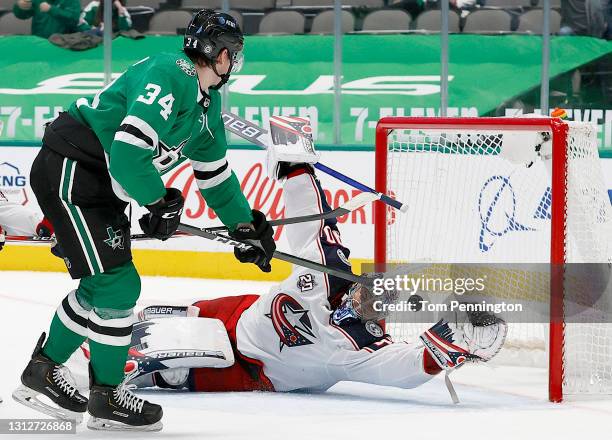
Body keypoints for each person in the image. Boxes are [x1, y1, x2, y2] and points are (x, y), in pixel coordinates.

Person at [12, 9, 276, 432]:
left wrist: (245, 226)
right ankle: (106, 395)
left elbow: (215, 179)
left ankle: (44, 373)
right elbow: (128, 154)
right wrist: (158, 201)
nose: (235, 61)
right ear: (220, 54)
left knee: (103, 285)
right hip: (74, 169)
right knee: (117, 285)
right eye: (234, 52)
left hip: (99, 182)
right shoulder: (170, 72)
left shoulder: (208, 106)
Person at [121, 142, 508, 396]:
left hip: (256, 370)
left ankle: (134, 373)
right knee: (164, 316)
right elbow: (314, 220)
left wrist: (450, 343)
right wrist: (295, 162)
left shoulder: (355, 347)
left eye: (375, 303)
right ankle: (127, 333)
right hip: (243, 314)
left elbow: (402, 368)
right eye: (366, 288)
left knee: (174, 371)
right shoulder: (329, 271)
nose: (364, 296)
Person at [12, 0, 80, 39]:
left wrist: (51, 9)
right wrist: (20, 7)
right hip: (39, 43)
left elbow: (73, 19)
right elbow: (22, 16)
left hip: (62, 45)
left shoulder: (71, 1)